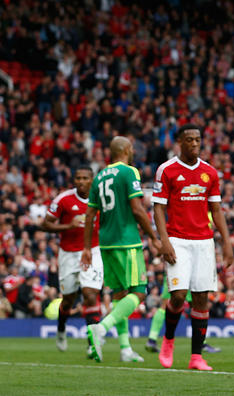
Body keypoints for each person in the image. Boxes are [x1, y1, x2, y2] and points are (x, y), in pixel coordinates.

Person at [151, 124, 234, 370]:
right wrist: (164, 241)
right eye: (189, 140)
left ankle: (196, 357)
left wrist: (227, 243)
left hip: (204, 242)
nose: (195, 144)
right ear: (180, 142)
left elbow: (216, 211)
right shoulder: (166, 170)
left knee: (201, 299)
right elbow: (158, 208)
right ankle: (168, 340)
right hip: (177, 240)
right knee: (178, 296)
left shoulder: (210, 172)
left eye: (198, 139)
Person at [81, 136, 162, 363]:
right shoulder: (129, 172)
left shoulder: (99, 177)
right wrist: (154, 237)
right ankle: (102, 327)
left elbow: (89, 216)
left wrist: (87, 247)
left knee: (119, 295)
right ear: (126, 149)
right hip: (126, 241)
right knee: (139, 292)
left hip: (105, 243)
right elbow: (136, 209)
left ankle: (125, 348)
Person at [42, 165, 103, 355]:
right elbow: (45, 224)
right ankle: (61, 329)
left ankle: (92, 343)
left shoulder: (101, 198)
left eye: (85, 178)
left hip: (93, 250)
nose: (81, 181)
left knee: (90, 293)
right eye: (78, 178)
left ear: (92, 180)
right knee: (68, 299)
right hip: (68, 253)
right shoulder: (64, 200)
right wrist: (69, 224)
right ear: (74, 180)